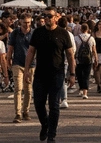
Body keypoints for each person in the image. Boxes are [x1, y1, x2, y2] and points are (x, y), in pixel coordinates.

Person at [24, 7, 76, 143]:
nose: (46, 18)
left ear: (56, 18)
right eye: (44, 16)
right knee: (38, 103)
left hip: (57, 74)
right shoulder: (38, 33)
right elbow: (30, 52)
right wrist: (26, 71)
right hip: (40, 73)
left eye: (49, 16)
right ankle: (45, 124)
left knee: (54, 105)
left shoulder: (63, 33)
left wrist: (72, 74)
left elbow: (70, 55)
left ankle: (52, 134)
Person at [7, 12, 35, 123]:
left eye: (28, 22)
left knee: (28, 89)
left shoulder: (34, 33)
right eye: (24, 23)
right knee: (18, 88)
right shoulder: (15, 33)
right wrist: (8, 59)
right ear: (20, 22)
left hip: (31, 64)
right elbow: (10, 48)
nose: (27, 25)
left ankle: (26, 111)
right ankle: (18, 113)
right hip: (17, 62)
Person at [75, 23, 98, 99]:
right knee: (86, 75)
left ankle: (81, 89)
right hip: (89, 59)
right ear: (88, 29)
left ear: (81, 29)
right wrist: (96, 59)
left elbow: (74, 50)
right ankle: (85, 92)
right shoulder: (91, 38)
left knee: (79, 75)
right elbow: (94, 50)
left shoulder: (76, 38)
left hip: (79, 59)